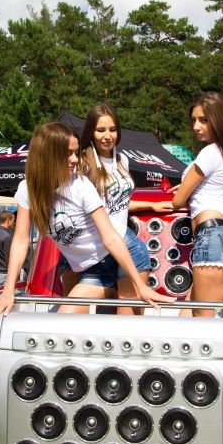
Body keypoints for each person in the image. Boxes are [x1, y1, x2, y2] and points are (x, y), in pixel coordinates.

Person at [0, 121, 171, 321]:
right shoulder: (27, 189)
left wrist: (141, 286)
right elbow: (20, 240)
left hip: (125, 252)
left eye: (76, 152)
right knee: (73, 322)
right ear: (48, 155)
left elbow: (110, 236)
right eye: (67, 153)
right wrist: (8, 290)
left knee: (123, 327)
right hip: (90, 266)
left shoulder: (80, 185)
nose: (74, 159)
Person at [60, 103, 173, 313]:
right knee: (73, 319)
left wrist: (151, 205)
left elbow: (117, 203)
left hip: (123, 244)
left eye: (112, 129)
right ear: (91, 132)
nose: (107, 136)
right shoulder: (80, 163)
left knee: (125, 320)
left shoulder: (123, 161)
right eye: (100, 130)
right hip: (90, 247)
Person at [171, 91, 223, 317]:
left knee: (202, 326)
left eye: (203, 120)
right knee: (186, 319)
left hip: (210, 238)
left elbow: (177, 201)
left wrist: (188, 187)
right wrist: (201, 187)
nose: (196, 127)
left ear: (218, 120)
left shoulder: (209, 153)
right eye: (194, 120)